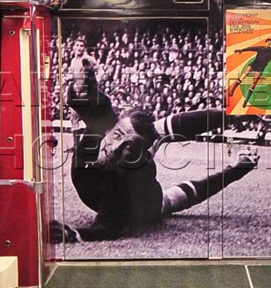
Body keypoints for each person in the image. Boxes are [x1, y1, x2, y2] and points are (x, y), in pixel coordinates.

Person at [54, 54, 259, 241]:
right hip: (130, 157)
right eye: (116, 135)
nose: (114, 148)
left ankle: (237, 169)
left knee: (169, 200)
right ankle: (231, 117)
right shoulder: (107, 126)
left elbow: (108, 228)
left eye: (127, 148)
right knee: (151, 129)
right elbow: (85, 99)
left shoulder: (119, 183)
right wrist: (83, 82)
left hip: (145, 201)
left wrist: (75, 234)